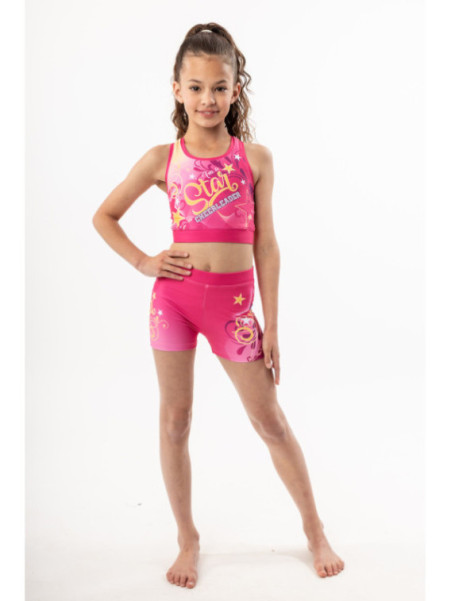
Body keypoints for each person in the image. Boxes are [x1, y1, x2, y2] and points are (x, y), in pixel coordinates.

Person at [92, 21, 345, 590]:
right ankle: (188, 538)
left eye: (220, 87)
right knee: (175, 420)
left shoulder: (255, 159)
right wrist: (144, 261)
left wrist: (271, 324)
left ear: (236, 89)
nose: (208, 99)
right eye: (197, 87)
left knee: (270, 421)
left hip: (234, 311)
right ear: (177, 90)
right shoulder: (163, 159)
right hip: (174, 304)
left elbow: (266, 244)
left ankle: (315, 530)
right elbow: (104, 216)